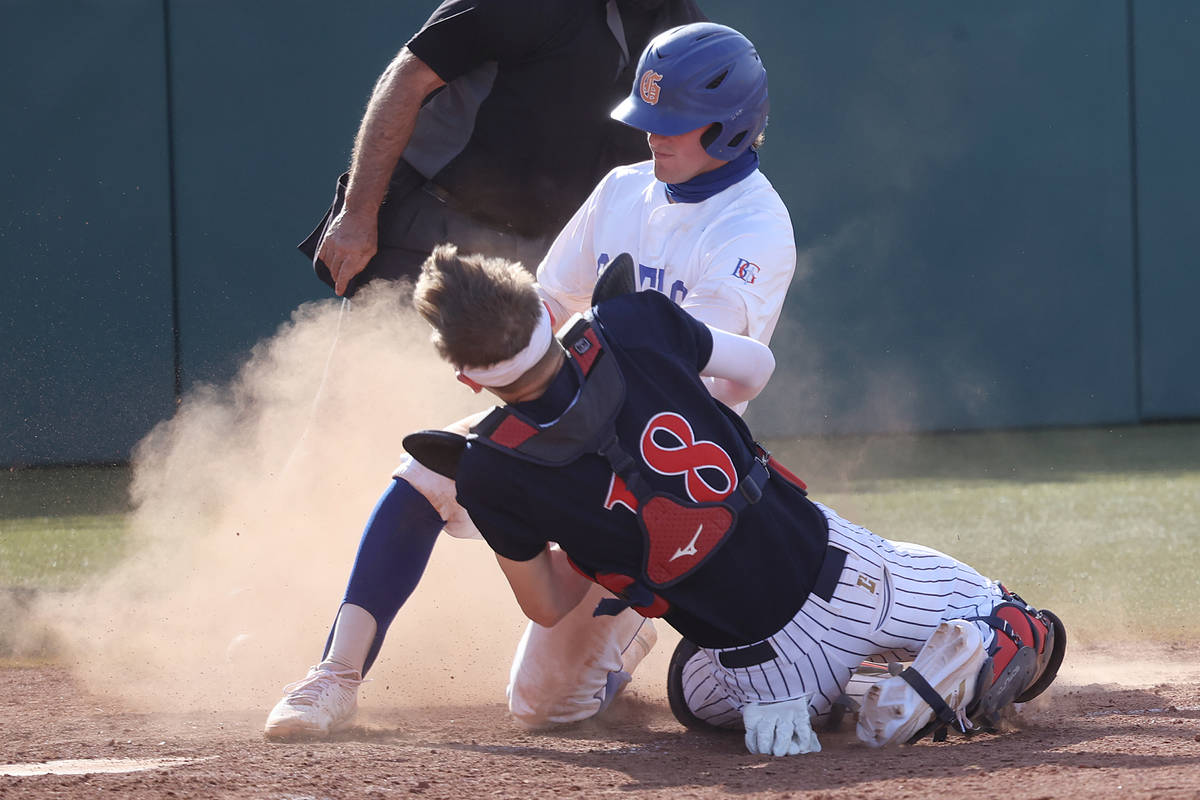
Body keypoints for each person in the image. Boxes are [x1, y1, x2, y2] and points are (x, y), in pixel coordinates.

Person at [266, 21, 795, 739]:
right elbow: (551, 300)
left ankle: (644, 610)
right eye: (649, 119)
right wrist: (501, 348)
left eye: (676, 125)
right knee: (428, 470)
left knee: (543, 707)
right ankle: (332, 677)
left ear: (732, 129)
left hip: (663, 473)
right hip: (574, 419)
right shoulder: (622, 189)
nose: (654, 136)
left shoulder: (752, 230)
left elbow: (677, 372)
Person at [411, 244, 1067, 756]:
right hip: (854, 575)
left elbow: (548, 605)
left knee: (688, 694)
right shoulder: (632, 321)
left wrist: (596, 527)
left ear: (470, 380)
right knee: (1020, 620)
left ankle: (860, 693)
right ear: (541, 313)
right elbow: (754, 370)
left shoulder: (490, 470)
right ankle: (985, 642)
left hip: (764, 672)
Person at [300, 0, 705, 297]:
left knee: (476, 413)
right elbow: (406, 79)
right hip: (431, 233)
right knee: (369, 395)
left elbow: (679, 169)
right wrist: (358, 213)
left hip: (548, 267)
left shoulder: (690, 33)